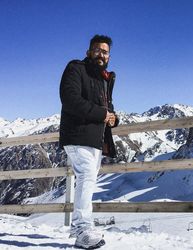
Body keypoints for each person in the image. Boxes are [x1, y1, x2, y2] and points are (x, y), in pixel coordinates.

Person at [59, 34, 119, 249]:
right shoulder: (76, 69)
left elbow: (106, 108)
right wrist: (102, 114)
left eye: (104, 52)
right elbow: (70, 99)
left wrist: (112, 117)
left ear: (108, 56)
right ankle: (82, 229)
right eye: (97, 50)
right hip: (77, 134)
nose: (100, 54)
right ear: (88, 52)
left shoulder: (103, 78)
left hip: (94, 138)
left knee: (89, 179)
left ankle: (81, 227)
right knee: (86, 176)